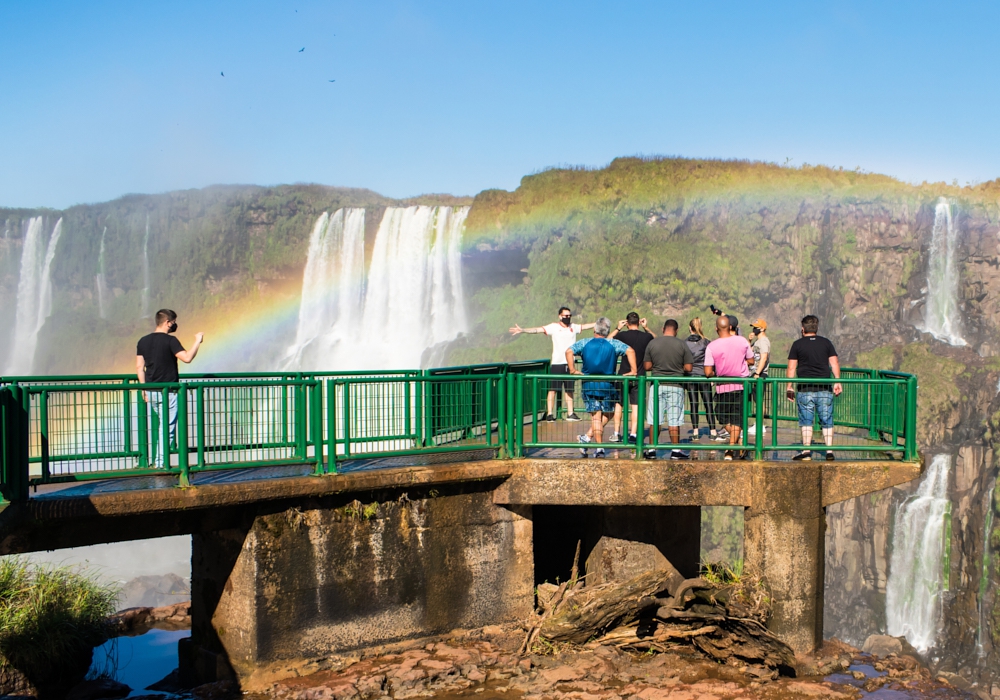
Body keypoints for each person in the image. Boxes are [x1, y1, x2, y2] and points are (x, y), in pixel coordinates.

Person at [136, 309, 204, 467]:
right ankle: (160, 463)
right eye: (173, 322)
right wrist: (197, 341)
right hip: (169, 391)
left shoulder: (143, 341)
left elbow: (140, 367)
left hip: (151, 390)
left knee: (163, 425)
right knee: (167, 427)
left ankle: (158, 460)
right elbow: (187, 358)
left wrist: (143, 389)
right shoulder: (171, 341)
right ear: (167, 323)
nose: (174, 325)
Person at [566, 317, 636, 458]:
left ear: (594, 330)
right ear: (607, 331)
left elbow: (568, 351)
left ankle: (589, 440)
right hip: (608, 385)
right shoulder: (613, 343)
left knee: (597, 417)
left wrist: (573, 370)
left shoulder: (585, 342)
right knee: (607, 413)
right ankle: (597, 446)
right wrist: (633, 370)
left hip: (589, 384)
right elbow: (631, 351)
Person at [510, 307, 595, 422]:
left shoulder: (573, 327)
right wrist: (523, 330)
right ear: (560, 316)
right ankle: (550, 414)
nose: (568, 318)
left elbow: (585, 326)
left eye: (569, 316)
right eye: (565, 316)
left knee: (569, 389)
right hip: (557, 363)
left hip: (569, 363)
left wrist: (598, 323)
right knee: (553, 389)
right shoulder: (554, 327)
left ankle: (570, 413)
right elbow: (537, 330)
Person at [786, 315, 842, 461]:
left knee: (806, 420)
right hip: (824, 387)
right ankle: (829, 451)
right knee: (827, 419)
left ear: (802, 329)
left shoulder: (797, 344)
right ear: (816, 328)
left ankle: (806, 451)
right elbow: (834, 363)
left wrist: (789, 386)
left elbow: (791, 367)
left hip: (805, 389)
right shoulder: (826, 343)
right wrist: (837, 381)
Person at [642, 319, 694, 460]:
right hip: (675, 386)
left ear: (663, 328)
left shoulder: (653, 343)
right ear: (676, 330)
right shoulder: (682, 344)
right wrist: (678, 368)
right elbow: (689, 368)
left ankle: (652, 449)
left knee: (655, 420)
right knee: (674, 420)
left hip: (657, 385)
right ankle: (676, 450)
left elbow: (647, 366)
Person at [704, 315, 753, 461]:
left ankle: (730, 449)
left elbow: (707, 372)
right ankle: (739, 441)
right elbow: (751, 360)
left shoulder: (712, 346)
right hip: (740, 386)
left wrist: (716, 372)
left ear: (716, 328)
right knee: (737, 419)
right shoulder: (742, 341)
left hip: (722, 387)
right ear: (731, 327)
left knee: (722, 417)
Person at [609, 312, 656, 443]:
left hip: (623, 375)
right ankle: (633, 434)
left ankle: (616, 433)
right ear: (639, 322)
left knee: (619, 405)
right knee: (636, 406)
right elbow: (657, 340)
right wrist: (646, 328)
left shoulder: (622, 336)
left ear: (627, 323)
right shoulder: (646, 337)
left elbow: (606, 341)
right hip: (639, 376)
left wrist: (618, 328)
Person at [684, 318, 719, 440]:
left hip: (690, 377)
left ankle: (695, 432)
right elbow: (712, 359)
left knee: (694, 404)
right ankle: (713, 432)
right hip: (704, 377)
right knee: (708, 404)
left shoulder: (684, 343)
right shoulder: (706, 342)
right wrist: (713, 376)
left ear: (690, 328)